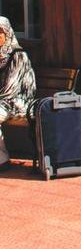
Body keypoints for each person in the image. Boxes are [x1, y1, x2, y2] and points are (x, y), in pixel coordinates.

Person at [0, 16, 37, 168]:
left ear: (7, 33)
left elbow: (10, 90)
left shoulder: (18, 55)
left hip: (18, 102)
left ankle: (2, 160)